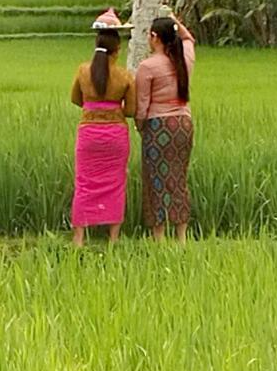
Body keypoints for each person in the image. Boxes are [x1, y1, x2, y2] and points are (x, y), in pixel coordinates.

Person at [70, 28, 136, 246]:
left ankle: (79, 239)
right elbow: (131, 110)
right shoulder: (125, 76)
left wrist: (94, 107)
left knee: (84, 183)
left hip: (89, 133)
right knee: (116, 183)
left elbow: (76, 99)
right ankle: (113, 238)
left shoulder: (82, 71)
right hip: (115, 134)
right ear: (117, 50)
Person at [135, 15, 196, 243]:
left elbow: (142, 105)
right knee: (179, 177)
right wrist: (175, 21)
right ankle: (181, 237)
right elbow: (189, 38)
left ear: (154, 37)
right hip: (183, 125)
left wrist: (141, 127)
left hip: (157, 125)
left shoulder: (148, 66)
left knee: (156, 179)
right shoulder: (185, 59)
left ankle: (159, 237)